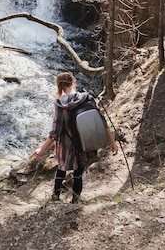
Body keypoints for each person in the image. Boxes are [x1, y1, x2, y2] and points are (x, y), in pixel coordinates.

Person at [32, 72, 118, 203]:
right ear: (74, 83)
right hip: (83, 142)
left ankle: (55, 198)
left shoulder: (60, 103)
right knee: (78, 173)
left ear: (60, 86)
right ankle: (75, 201)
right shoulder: (87, 97)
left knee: (61, 170)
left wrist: (42, 149)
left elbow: (56, 131)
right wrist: (113, 142)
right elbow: (102, 121)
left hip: (66, 145)